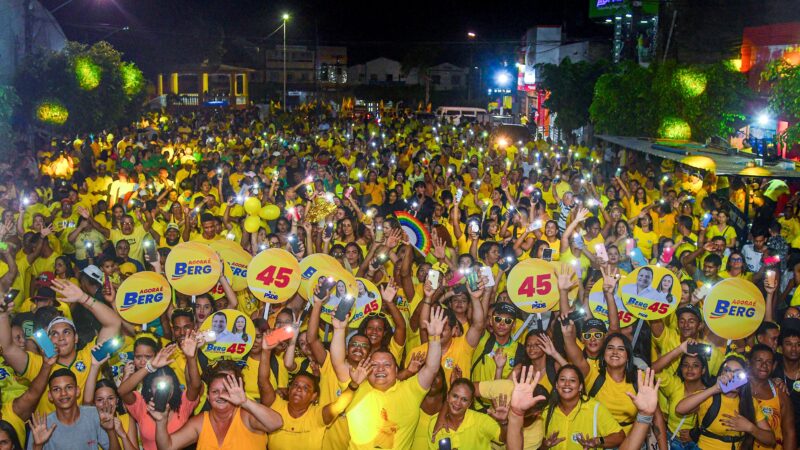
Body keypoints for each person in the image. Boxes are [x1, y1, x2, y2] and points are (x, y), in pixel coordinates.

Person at [336, 307, 446, 449]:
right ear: (368, 369)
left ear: (395, 369)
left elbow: (431, 368)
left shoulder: (411, 390)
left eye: (387, 364)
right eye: (375, 365)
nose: (380, 368)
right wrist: (339, 330)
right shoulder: (355, 388)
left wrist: (435, 338)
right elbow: (338, 362)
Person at [149, 373, 282, 449]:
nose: (220, 395)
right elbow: (167, 447)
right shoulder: (201, 421)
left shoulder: (246, 415)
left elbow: (276, 423)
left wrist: (245, 402)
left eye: (226, 391)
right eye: (215, 392)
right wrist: (161, 422)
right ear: (208, 397)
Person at [675, 355, 776, 450]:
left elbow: (771, 440)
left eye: (737, 373)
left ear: (744, 378)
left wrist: (750, 427)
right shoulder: (709, 396)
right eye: (727, 371)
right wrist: (715, 389)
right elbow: (680, 409)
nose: (731, 376)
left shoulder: (749, 402)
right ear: (721, 374)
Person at [27, 369, 121, 450]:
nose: (63, 393)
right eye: (56, 389)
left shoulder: (94, 415)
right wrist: (38, 446)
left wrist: (110, 431)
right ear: (50, 396)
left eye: (69, 387)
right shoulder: (42, 426)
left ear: (77, 391)